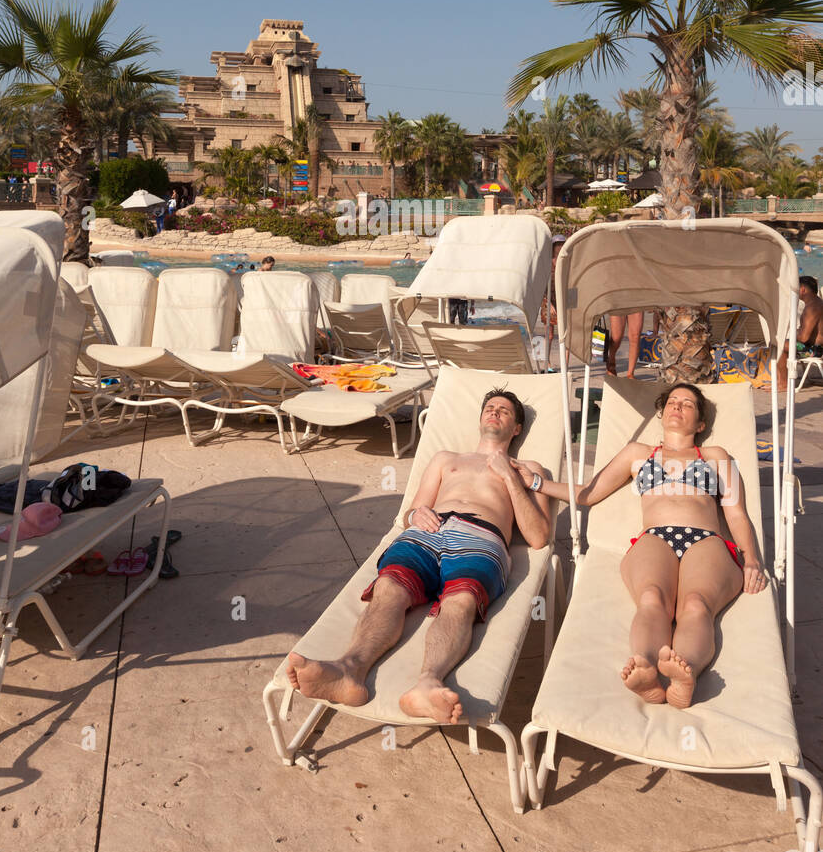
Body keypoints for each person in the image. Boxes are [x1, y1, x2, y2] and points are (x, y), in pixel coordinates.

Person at [287, 389, 552, 724]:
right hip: (427, 531)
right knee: (389, 589)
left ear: (516, 429)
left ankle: (428, 683)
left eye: (504, 411)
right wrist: (415, 517)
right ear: (481, 418)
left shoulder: (528, 469)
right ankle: (348, 670)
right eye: (489, 407)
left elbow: (539, 537)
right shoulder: (446, 458)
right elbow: (410, 511)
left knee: (462, 600)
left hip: (481, 537)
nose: (494, 412)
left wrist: (510, 476)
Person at [551, 383, 767, 708]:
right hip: (655, 538)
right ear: (662, 413)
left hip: (706, 540)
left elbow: (737, 515)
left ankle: (685, 673)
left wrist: (751, 559)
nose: (677, 406)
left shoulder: (716, 456)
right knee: (652, 599)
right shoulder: (637, 453)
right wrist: (536, 483)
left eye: (688, 404)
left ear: (701, 424)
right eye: (672, 402)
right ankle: (646, 668)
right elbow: (588, 493)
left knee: (696, 604)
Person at [777, 275, 823, 388]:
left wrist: (793, 333)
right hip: (818, 346)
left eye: (795, 289)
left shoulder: (811, 308)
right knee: (783, 342)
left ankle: (783, 384)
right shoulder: (818, 303)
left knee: (778, 345)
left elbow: (804, 338)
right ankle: (781, 380)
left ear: (802, 290)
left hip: (815, 350)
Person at [540, 234, 566, 368]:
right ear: (553, 247)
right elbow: (541, 285)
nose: (560, 247)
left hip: (563, 300)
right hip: (548, 299)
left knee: (566, 334)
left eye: (562, 244)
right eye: (558, 245)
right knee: (549, 335)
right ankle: (547, 362)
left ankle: (565, 364)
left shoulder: (566, 262)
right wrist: (549, 303)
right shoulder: (546, 263)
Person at [606, 311, 645, 378]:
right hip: (618, 302)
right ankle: (611, 360)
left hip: (637, 302)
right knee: (616, 337)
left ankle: (630, 374)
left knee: (635, 336)